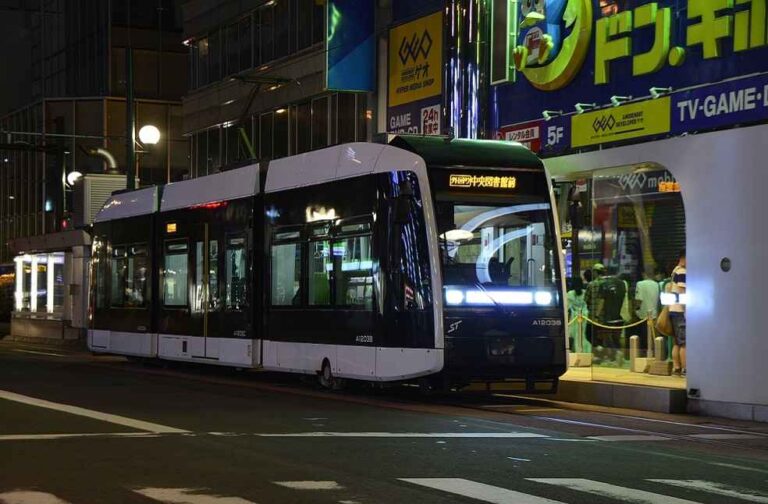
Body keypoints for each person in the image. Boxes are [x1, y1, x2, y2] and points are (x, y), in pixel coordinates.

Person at [585, 263, 626, 363]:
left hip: (595, 317)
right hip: (610, 315)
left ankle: (605, 354)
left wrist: (596, 314)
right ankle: (606, 356)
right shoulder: (613, 283)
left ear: (595, 272)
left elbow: (587, 299)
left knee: (590, 335)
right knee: (607, 337)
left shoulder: (592, 284)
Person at [634, 269, 660, 353]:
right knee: (653, 336)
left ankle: (644, 353)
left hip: (643, 315)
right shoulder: (657, 284)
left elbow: (639, 300)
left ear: (643, 274)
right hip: (655, 315)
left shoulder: (640, 284)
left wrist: (635, 310)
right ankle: (655, 353)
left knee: (644, 336)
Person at [670, 249, 687, 376]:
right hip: (680, 310)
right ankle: (685, 369)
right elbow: (682, 292)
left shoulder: (675, 270)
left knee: (677, 342)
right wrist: (687, 310)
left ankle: (676, 368)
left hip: (673, 309)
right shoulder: (682, 271)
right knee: (684, 342)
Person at [567, 277, 590, 353]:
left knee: (575, 335)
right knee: (582, 335)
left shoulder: (570, 293)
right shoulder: (585, 292)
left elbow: (568, 308)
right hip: (585, 316)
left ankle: (578, 352)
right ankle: (585, 351)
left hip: (574, 317)